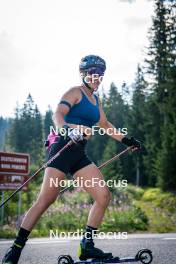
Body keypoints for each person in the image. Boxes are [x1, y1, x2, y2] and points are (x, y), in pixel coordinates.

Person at [2, 55, 141, 264]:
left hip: (78, 154)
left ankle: (87, 246)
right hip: (62, 148)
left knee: (103, 195)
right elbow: (57, 115)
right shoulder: (75, 92)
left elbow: (104, 124)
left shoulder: (96, 100)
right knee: (45, 200)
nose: (98, 77)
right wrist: (69, 129)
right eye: (94, 73)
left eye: (101, 74)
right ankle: (15, 249)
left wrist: (126, 139)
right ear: (84, 74)